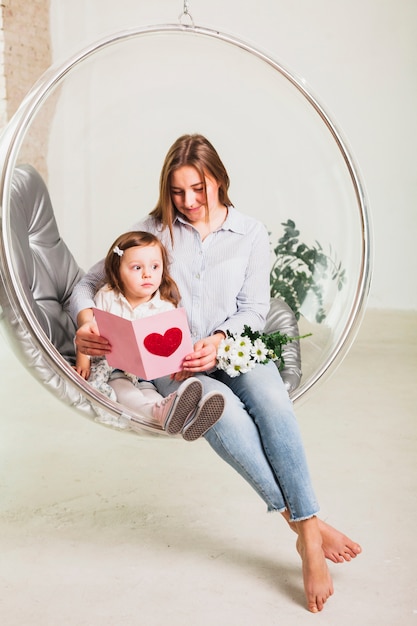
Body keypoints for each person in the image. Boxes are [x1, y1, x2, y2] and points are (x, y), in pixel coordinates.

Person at [71, 134, 362, 613]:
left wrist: (222, 341)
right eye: (178, 191)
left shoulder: (249, 233)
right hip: (175, 362)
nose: (187, 202)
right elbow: (88, 281)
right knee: (217, 413)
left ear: (220, 180)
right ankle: (308, 530)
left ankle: (304, 529)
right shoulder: (153, 229)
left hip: (237, 349)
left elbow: (253, 308)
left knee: (271, 402)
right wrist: (87, 320)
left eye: (198, 189)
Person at [75, 230, 225, 442]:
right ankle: (168, 413)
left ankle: (176, 412)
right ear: (117, 272)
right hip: (114, 371)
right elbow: (89, 335)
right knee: (127, 393)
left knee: (151, 395)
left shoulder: (165, 305)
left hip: (149, 375)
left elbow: (175, 346)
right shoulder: (107, 297)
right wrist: (83, 362)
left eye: (155, 267)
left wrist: (181, 364)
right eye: (137, 268)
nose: (148, 274)